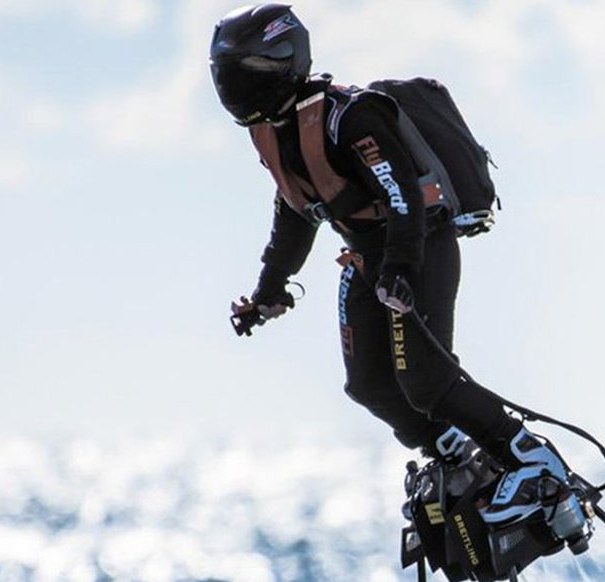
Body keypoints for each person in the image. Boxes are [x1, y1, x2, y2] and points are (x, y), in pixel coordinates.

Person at [209, 3, 567, 527]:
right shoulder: (274, 132)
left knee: (427, 381)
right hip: (366, 254)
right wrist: (269, 290)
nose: (234, 89)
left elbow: (403, 195)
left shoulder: (350, 117)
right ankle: (456, 456)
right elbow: (294, 212)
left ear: (283, 63)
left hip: (418, 243)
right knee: (369, 385)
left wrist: (399, 268)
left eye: (244, 74)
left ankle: (533, 461)